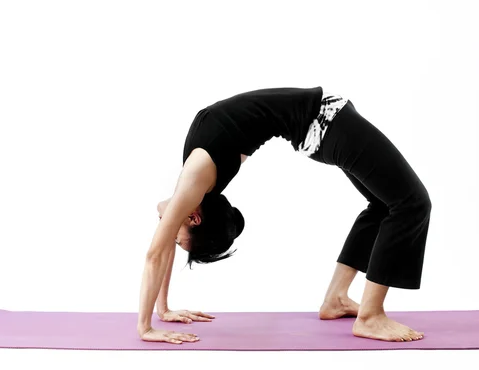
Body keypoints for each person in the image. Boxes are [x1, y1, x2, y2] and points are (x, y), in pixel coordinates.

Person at [137, 87, 431, 344]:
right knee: (411, 203)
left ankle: (336, 299)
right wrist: (153, 318)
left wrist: (156, 316)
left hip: (321, 125)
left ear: (193, 219)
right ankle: (370, 317)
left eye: (178, 240)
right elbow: (159, 249)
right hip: (325, 123)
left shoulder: (194, 182)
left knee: (382, 205)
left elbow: (160, 244)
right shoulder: (195, 185)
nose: (170, 233)